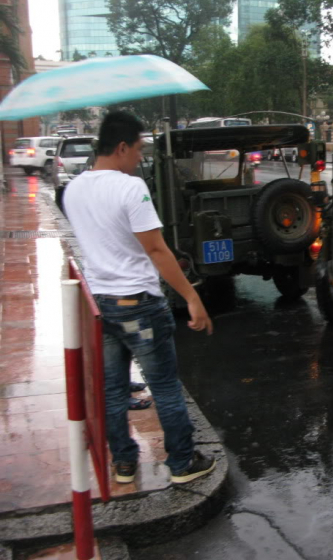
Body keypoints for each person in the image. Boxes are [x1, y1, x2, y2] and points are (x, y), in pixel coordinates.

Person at [64, 111, 216, 485]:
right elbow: (156, 249)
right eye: (138, 149)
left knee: (113, 390)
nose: (140, 157)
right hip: (139, 303)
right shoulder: (130, 188)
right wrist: (191, 297)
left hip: (100, 303)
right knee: (163, 386)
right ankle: (182, 462)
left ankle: (124, 464)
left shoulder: (73, 189)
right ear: (120, 147)